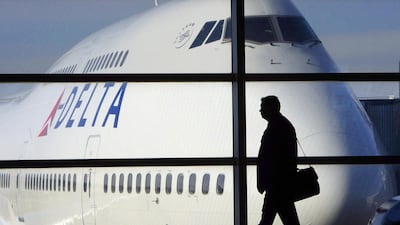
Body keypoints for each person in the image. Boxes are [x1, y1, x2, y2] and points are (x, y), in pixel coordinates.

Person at [257, 96, 300, 225]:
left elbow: (270, 157)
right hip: (281, 184)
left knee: (267, 219)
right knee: (287, 218)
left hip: (276, 184)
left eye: (263, 107)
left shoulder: (276, 127)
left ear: (271, 108)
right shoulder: (283, 125)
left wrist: (265, 180)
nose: (260, 111)